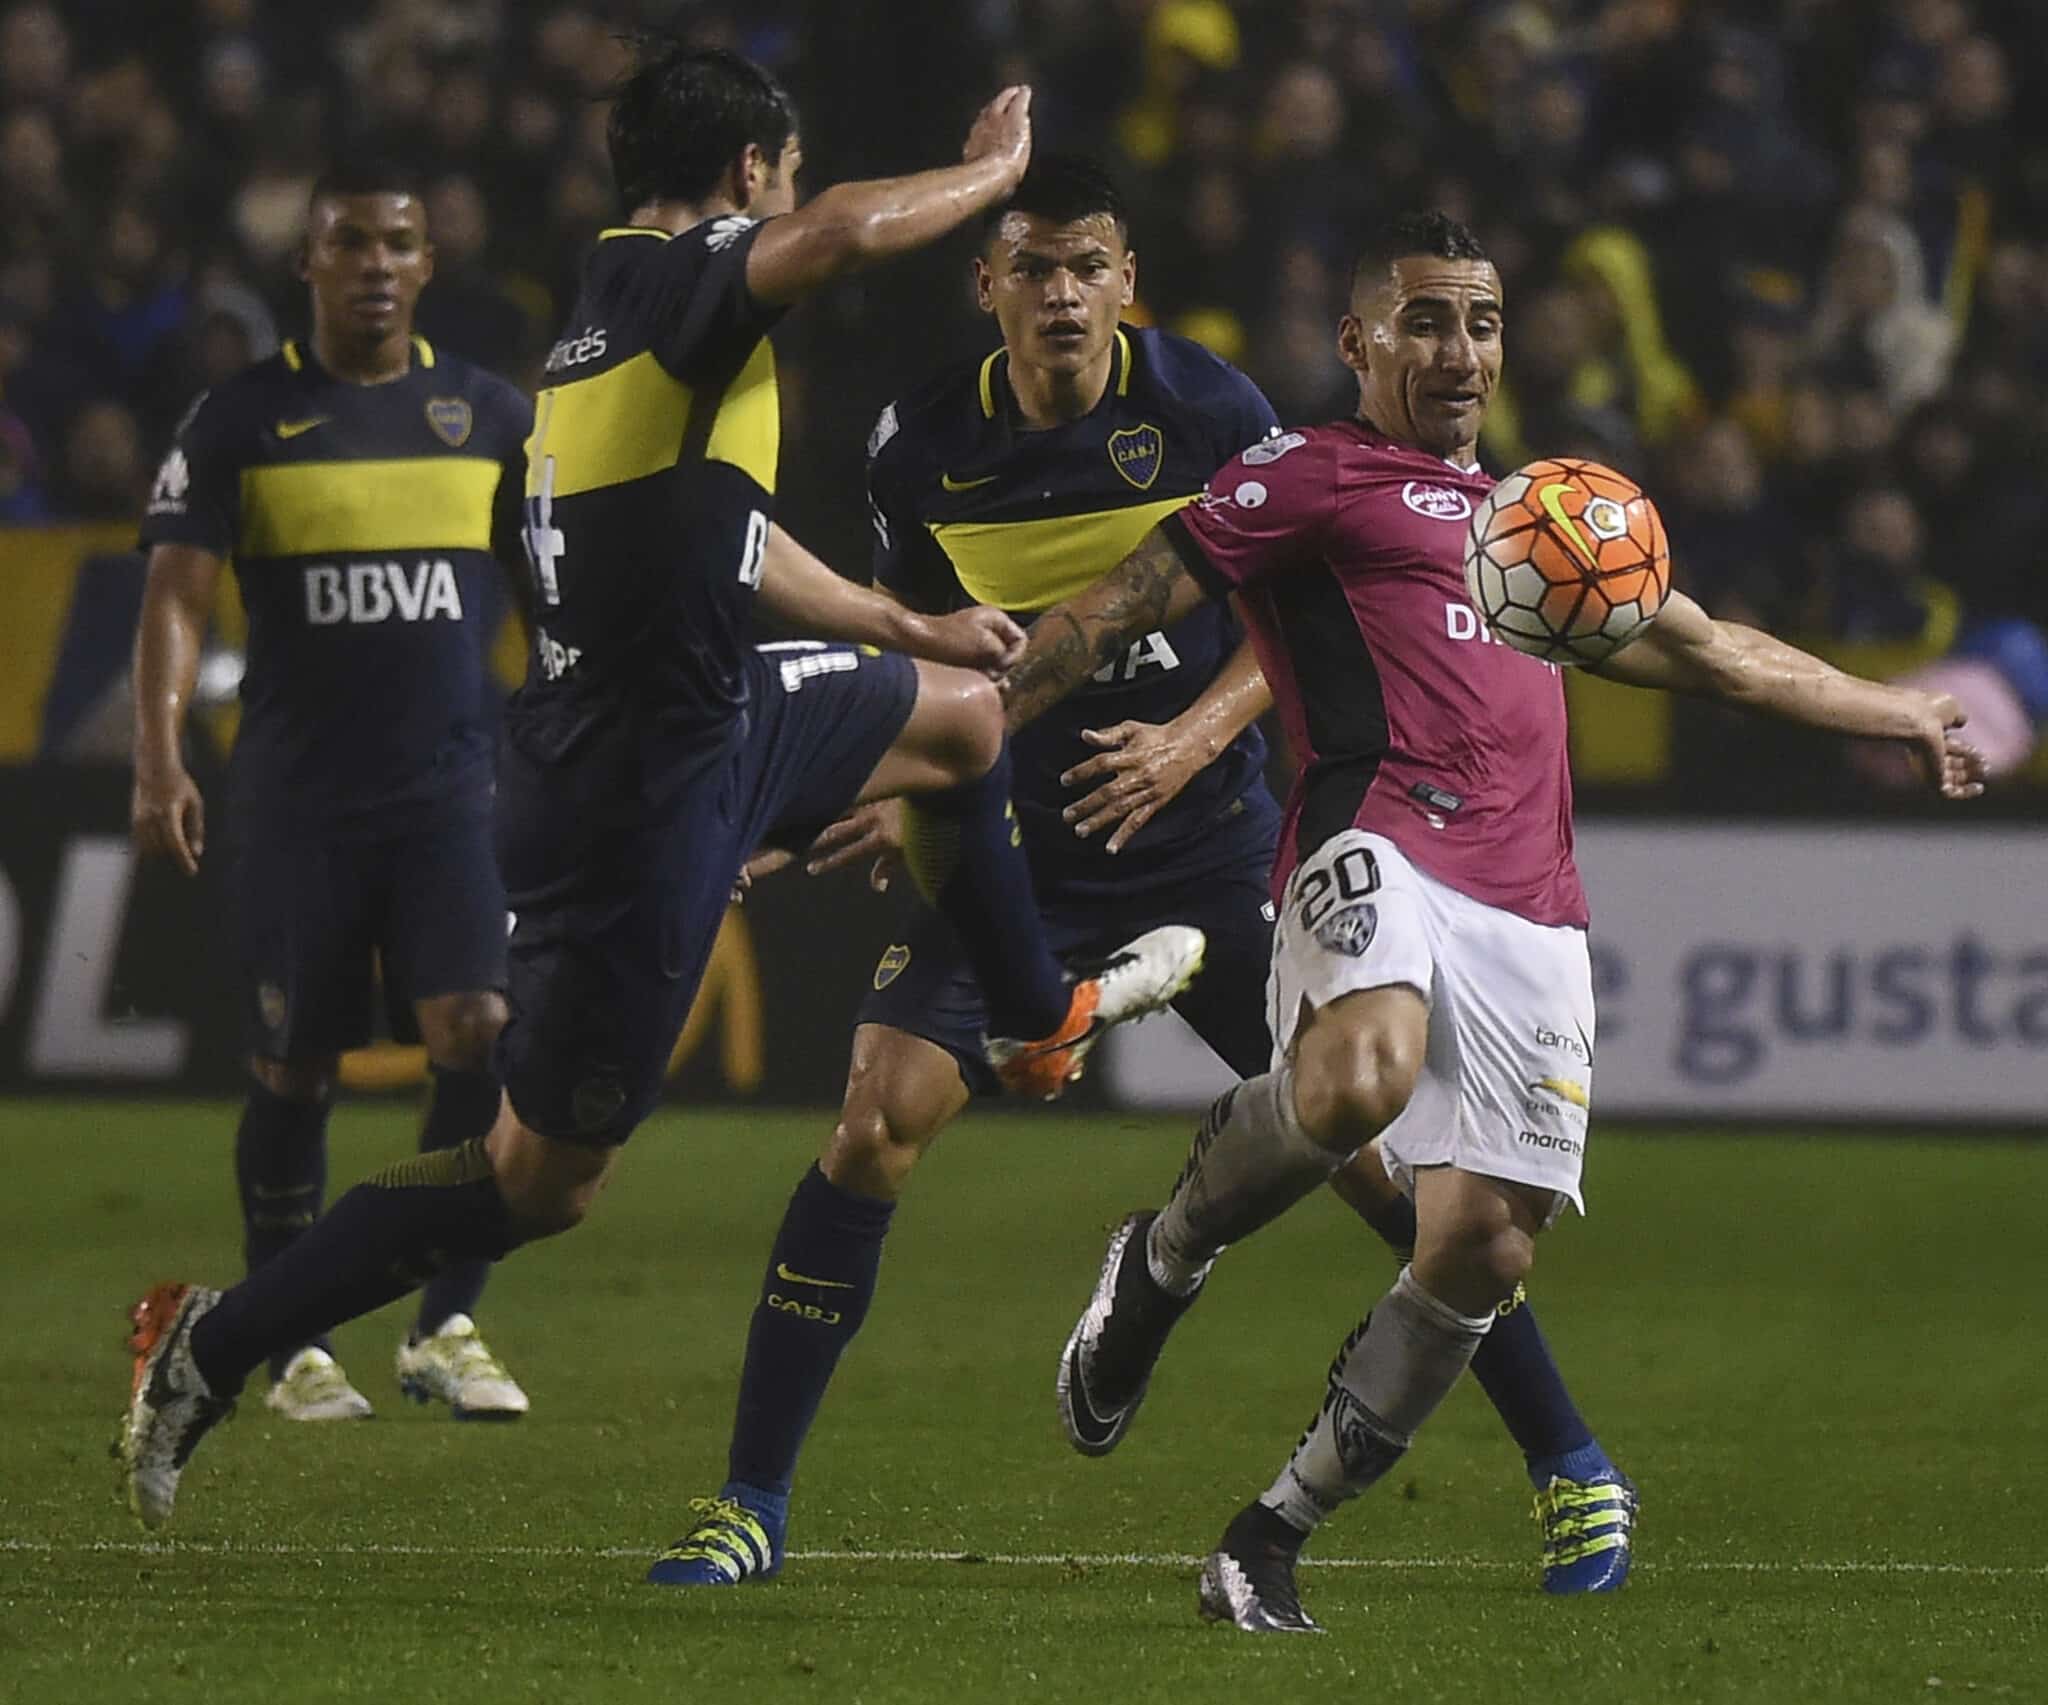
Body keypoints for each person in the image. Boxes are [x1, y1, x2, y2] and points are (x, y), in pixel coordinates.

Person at [117, 43, 1202, 1540]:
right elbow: (840, 234)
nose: (794, 200)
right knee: (538, 1181)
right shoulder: (682, 278)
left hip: (704, 713)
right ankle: (213, 1341)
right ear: (751, 172)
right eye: (785, 174)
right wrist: (991, 174)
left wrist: (901, 622)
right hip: (644, 780)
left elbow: (723, 535)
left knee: (962, 721)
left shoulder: (601, 322)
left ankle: (1033, 1013)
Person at [998, 210, 1986, 1634]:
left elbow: (1713, 650)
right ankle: (1161, 1261)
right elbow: (1108, 611)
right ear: (1357, 342)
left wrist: (1893, 708)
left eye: (1481, 321)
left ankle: (1268, 1536)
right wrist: (952, 733)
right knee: (1357, 1081)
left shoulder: (1546, 526)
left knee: (1480, 1253)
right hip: (1374, 837)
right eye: (1425, 321)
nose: (1459, 350)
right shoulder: (1309, 476)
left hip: (1532, 906)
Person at [656, 158, 1633, 1594]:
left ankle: (1566, 1460)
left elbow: (1304, 609)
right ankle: (747, 1504)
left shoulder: (1206, 408)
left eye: (1087, 267)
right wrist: (885, 769)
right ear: (986, 285)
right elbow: (923, 643)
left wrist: (1191, 734)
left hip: (1210, 852)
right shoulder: (916, 446)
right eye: (1033, 268)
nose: (1061, 294)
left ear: (1127, 284)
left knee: (1387, 1173)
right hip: (1016, 854)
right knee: (873, 1118)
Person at [132, 160, 533, 1424]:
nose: (373, 264)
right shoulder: (238, 418)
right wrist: (159, 755)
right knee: (295, 1063)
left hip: (450, 792)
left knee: (476, 1028)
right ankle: (292, 1338)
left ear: (427, 264)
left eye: (396, 242)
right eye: (349, 242)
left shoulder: (490, 417)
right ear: (306, 261)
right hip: (298, 801)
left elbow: (552, 601)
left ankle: (444, 1321)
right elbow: (176, 597)